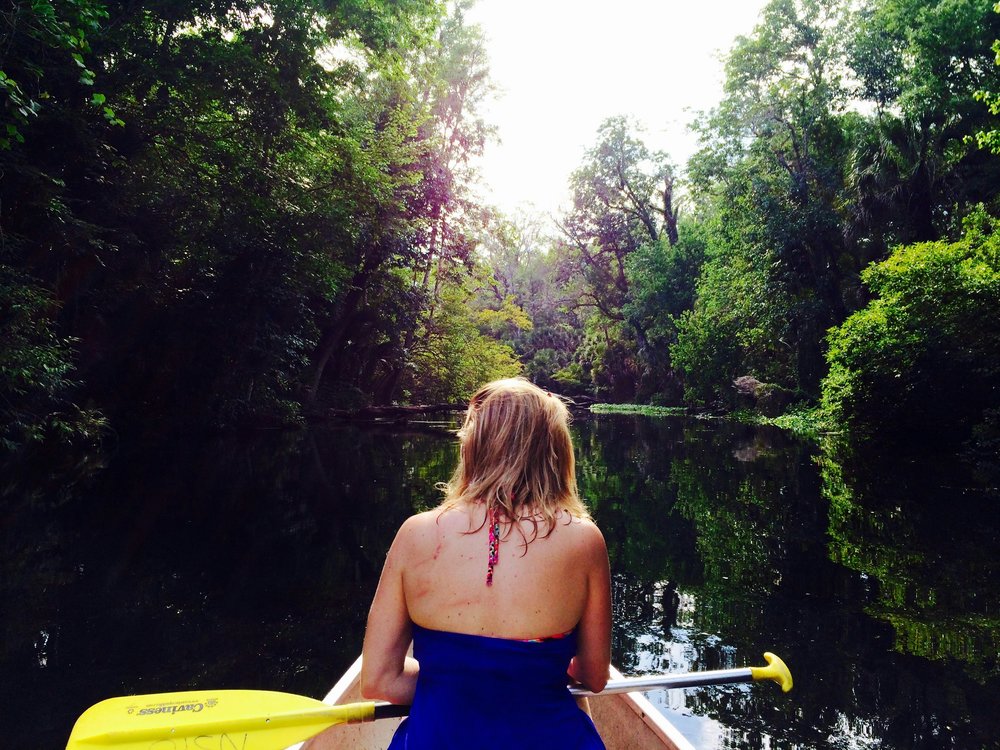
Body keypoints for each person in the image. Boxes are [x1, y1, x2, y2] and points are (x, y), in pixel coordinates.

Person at [360, 377, 612, 749]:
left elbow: (378, 679)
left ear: (473, 447)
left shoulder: (415, 534)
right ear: (554, 451)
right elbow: (593, 676)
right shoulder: (584, 539)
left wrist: (450, 682)